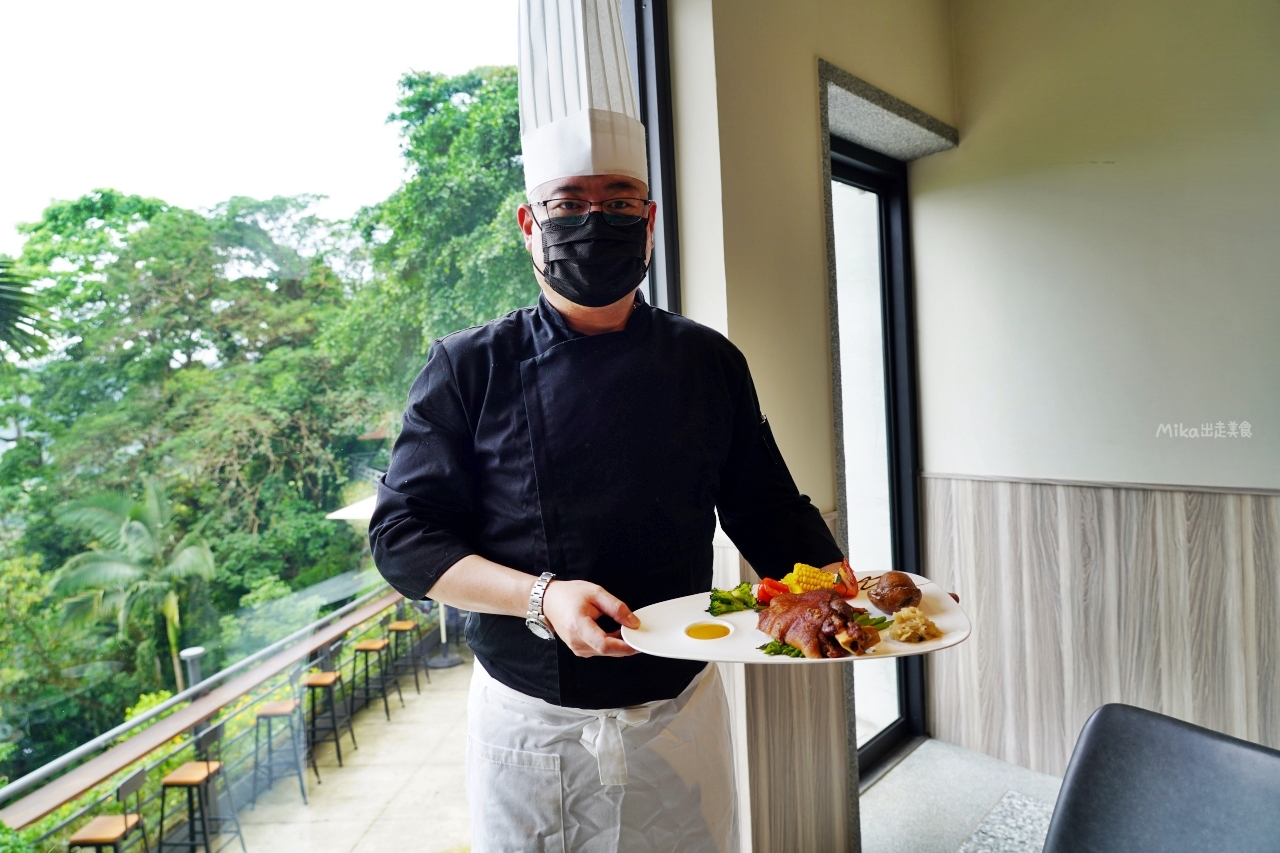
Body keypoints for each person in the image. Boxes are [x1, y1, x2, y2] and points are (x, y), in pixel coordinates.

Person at [369, 1, 845, 850]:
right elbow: (403, 538)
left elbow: (768, 511)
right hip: (530, 723)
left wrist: (845, 598)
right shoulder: (468, 364)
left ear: (651, 221)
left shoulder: (707, 360)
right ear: (529, 226)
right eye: (569, 202)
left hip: (681, 711)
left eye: (620, 201)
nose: (597, 220)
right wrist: (540, 597)